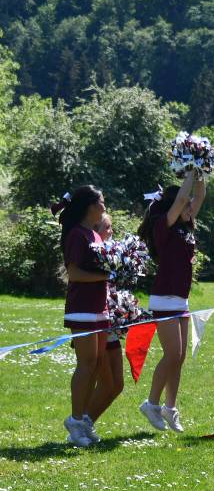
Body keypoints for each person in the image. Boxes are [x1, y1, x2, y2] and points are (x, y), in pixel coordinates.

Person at [138, 171, 205, 433]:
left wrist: (200, 170)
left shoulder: (185, 224)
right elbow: (182, 200)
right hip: (164, 297)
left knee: (179, 358)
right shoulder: (162, 226)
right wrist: (188, 172)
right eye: (186, 206)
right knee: (172, 354)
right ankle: (151, 404)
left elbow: (198, 195)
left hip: (181, 299)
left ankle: (170, 407)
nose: (190, 208)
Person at [54, 187, 110, 447]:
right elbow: (74, 273)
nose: (104, 206)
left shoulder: (94, 234)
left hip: (99, 307)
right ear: (90, 205)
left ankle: (83, 421)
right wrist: (106, 276)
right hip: (82, 308)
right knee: (86, 364)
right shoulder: (77, 235)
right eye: (101, 202)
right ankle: (75, 420)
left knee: (96, 365)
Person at [87, 213, 125, 430]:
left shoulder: (113, 254)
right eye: (107, 227)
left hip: (111, 325)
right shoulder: (91, 255)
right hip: (96, 323)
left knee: (117, 384)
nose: (111, 232)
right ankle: (80, 424)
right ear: (96, 230)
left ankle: (86, 424)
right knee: (105, 383)